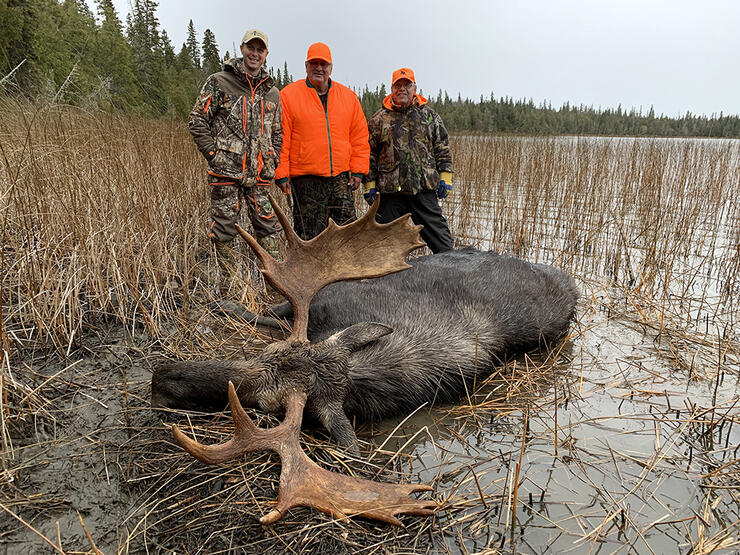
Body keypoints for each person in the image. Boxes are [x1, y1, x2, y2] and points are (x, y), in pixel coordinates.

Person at [188, 28, 284, 290]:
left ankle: (276, 288)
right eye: (250, 48)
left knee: (268, 228)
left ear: (266, 54)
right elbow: (197, 120)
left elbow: (277, 133)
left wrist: (272, 161)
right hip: (225, 173)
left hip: (260, 176)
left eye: (260, 49)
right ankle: (231, 289)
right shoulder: (220, 81)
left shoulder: (273, 93)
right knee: (224, 229)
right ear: (242, 50)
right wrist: (213, 154)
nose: (255, 53)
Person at [275, 42, 369, 240]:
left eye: (323, 64)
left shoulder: (348, 97)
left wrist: (358, 170)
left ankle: (346, 271)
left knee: (347, 234)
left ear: (331, 67)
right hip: (305, 180)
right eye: (314, 63)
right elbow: (281, 138)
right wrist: (281, 173)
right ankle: (310, 272)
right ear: (306, 66)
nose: (319, 68)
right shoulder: (289, 96)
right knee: (309, 236)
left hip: (341, 179)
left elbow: (359, 137)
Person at [364, 67, 454, 253]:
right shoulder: (378, 120)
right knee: (382, 250)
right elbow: (369, 155)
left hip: (423, 190)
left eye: (407, 85)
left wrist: (445, 177)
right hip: (390, 194)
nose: (402, 89)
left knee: (444, 247)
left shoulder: (430, 117)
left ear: (415, 88)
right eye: (398, 85)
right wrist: (369, 184)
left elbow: (442, 149)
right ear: (392, 88)